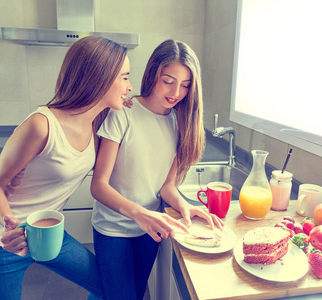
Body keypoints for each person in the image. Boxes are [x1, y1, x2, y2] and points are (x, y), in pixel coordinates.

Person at [0, 36, 133, 300]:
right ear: (98, 76)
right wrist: (9, 224)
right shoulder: (41, 125)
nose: (130, 86)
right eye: (124, 77)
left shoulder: (96, 120)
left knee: (109, 289)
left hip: (48, 233)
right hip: (3, 242)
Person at [90, 39, 224, 299]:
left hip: (149, 229)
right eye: (168, 80)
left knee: (133, 294)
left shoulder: (179, 123)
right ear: (153, 74)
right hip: (112, 228)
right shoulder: (124, 113)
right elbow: (99, 186)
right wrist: (139, 213)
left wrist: (185, 206)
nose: (176, 92)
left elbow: (166, 187)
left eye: (185, 85)